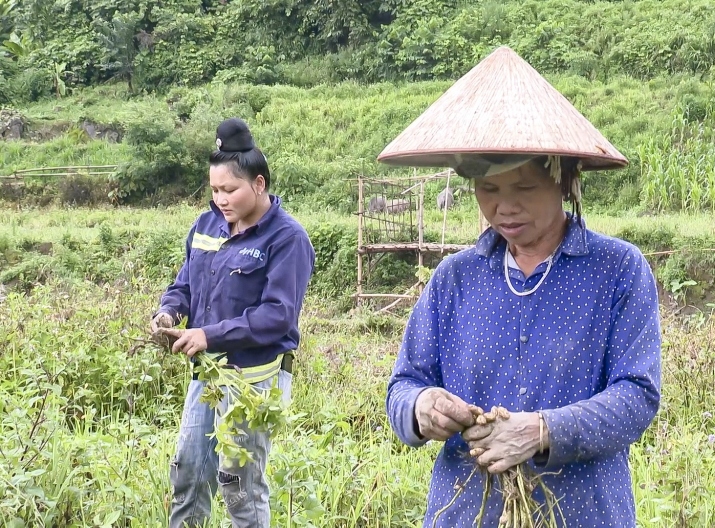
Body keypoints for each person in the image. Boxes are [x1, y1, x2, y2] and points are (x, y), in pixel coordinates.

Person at [379, 46, 662, 527]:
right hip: (470, 509)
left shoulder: (618, 270)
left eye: (524, 189)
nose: (504, 208)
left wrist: (542, 431)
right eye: (489, 191)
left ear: (565, 182)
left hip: (581, 511)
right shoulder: (455, 278)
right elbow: (404, 384)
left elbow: (636, 396)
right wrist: (422, 407)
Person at [150, 117, 316, 528]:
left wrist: (208, 335)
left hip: (253, 382)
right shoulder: (205, 226)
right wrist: (168, 311)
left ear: (258, 185)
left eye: (230, 190)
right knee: (188, 470)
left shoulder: (286, 238)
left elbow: (277, 316)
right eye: (214, 190)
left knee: (237, 483)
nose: (220, 199)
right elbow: (185, 283)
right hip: (206, 378)